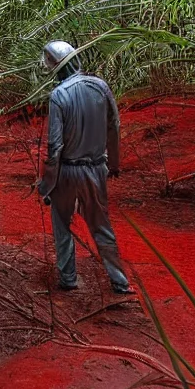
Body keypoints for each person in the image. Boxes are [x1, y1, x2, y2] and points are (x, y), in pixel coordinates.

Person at [37, 40, 132, 295]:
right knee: (101, 226)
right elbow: (114, 126)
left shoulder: (58, 95)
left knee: (61, 225)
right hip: (96, 169)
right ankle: (119, 281)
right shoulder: (101, 86)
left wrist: (47, 185)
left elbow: (55, 146)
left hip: (67, 172)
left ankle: (68, 277)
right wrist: (114, 163)